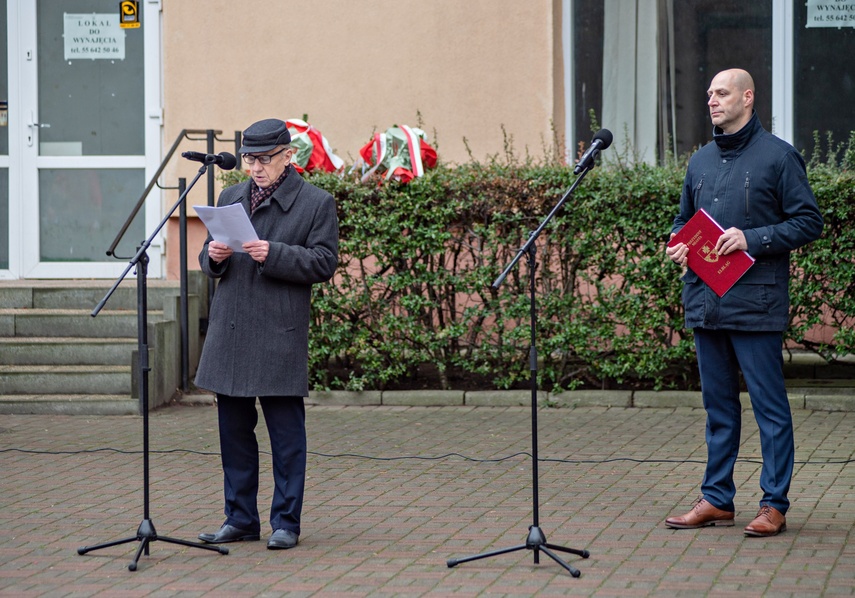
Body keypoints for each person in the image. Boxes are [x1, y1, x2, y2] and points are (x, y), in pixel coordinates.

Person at [664, 69, 823, 537]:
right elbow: (682, 220)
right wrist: (676, 243)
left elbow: (808, 222)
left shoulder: (779, 157)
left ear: (747, 97)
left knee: (769, 409)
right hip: (706, 302)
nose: (711, 100)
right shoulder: (700, 163)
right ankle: (717, 499)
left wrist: (751, 237)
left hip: (756, 305)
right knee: (718, 408)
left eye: (721, 92)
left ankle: (773, 504)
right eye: (709, 93)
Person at [195, 118, 338, 550]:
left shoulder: (316, 203)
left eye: (264, 159)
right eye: (249, 159)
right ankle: (239, 519)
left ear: (289, 156)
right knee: (233, 433)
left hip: (278, 330)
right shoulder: (229, 196)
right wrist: (213, 256)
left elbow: (323, 262)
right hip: (232, 330)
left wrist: (274, 254)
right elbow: (209, 260)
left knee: (286, 436)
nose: (255, 168)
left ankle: (285, 523)